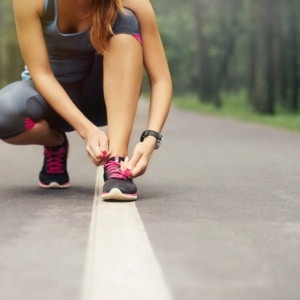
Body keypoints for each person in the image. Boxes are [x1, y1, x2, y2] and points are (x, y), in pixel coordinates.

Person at [0, 0, 172, 201]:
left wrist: (150, 139)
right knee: (4, 113)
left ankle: (116, 161)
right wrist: (87, 131)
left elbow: (161, 80)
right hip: (52, 102)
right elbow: (42, 74)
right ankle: (55, 142)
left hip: (101, 100)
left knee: (126, 19)